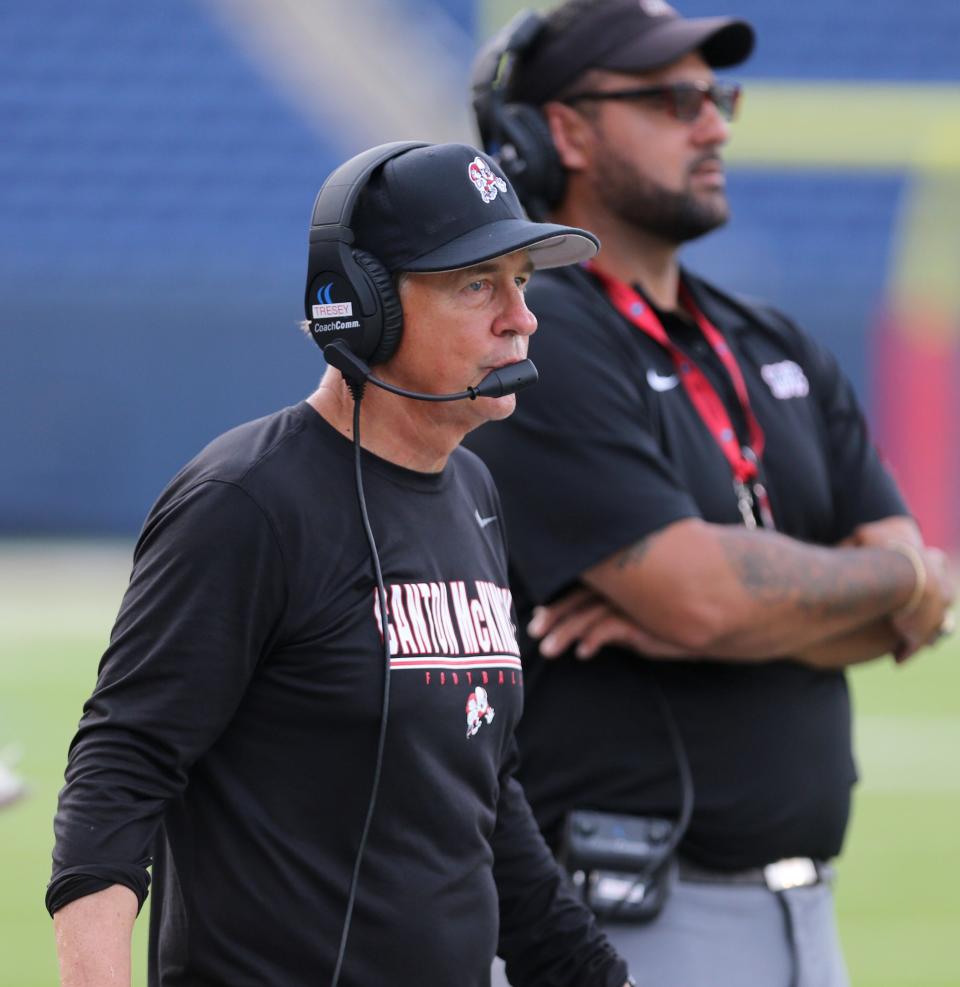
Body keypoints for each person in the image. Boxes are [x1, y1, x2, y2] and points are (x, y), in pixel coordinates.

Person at [47, 141, 636, 987]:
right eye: (478, 284)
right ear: (366, 307)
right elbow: (121, 767)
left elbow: (485, 796)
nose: (521, 316)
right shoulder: (246, 500)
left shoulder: (474, 490)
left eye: (522, 281)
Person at [467, 3, 956, 986]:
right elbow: (700, 593)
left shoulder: (773, 341)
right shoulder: (535, 334)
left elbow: (922, 606)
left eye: (718, 96)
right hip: (619, 911)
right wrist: (862, 582)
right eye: (675, 99)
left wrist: (885, 576)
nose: (715, 124)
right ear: (562, 129)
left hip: (805, 917)